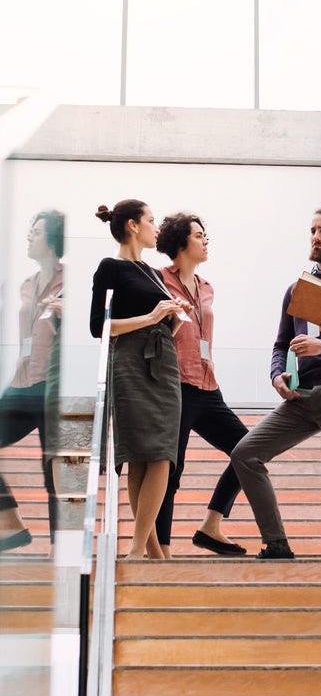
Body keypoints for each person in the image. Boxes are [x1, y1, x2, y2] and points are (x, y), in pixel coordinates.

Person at [230, 206, 321, 559]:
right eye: (312, 230)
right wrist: (276, 373)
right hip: (300, 394)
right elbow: (281, 344)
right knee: (245, 454)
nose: (315, 237)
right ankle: (277, 543)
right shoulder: (296, 288)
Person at [90, 199, 188, 559]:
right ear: (133, 225)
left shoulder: (152, 272)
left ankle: (146, 550)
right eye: (150, 220)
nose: (155, 227)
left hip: (163, 361)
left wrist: (174, 315)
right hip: (129, 360)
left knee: (162, 453)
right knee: (139, 456)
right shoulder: (110, 267)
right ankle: (142, 549)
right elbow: (98, 327)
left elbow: (161, 321)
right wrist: (151, 317)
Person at [154, 212, 247, 557]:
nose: (206, 240)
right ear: (180, 243)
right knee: (169, 469)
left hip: (208, 387)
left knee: (249, 451)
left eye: (206, 235)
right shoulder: (157, 280)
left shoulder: (207, 287)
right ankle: (160, 550)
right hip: (174, 386)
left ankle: (211, 525)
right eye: (198, 235)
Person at [0, 210, 64, 552]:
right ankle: (10, 522)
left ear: (53, 239)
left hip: (53, 386)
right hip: (22, 383)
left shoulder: (72, 282)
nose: (29, 236)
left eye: (35, 231)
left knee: (53, 469)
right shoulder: (24, 284)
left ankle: (60, 550)